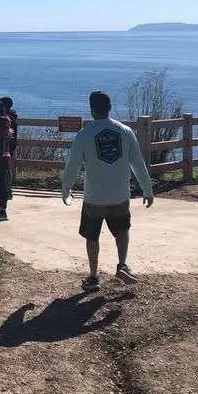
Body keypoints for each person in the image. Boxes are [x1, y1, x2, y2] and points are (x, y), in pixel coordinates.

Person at [61, 90, 154, 291]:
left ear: (92, 109)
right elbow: (138, 163)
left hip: (94, 197)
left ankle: (93, 277)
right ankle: (122, 265)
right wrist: (147, 189)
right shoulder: (126, 132)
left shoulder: (84, 135)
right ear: (110, 108)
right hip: (120, 195)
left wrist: (66, 190)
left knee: (92, 236)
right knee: (122, 230)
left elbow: (72, 166)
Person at [0, 96, 18, 201]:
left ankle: (6, 192)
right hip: (10, 147)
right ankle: (7, 191)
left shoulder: (8, 118)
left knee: (4, 171)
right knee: (6, 170)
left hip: (5, 148)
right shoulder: (13, 117)